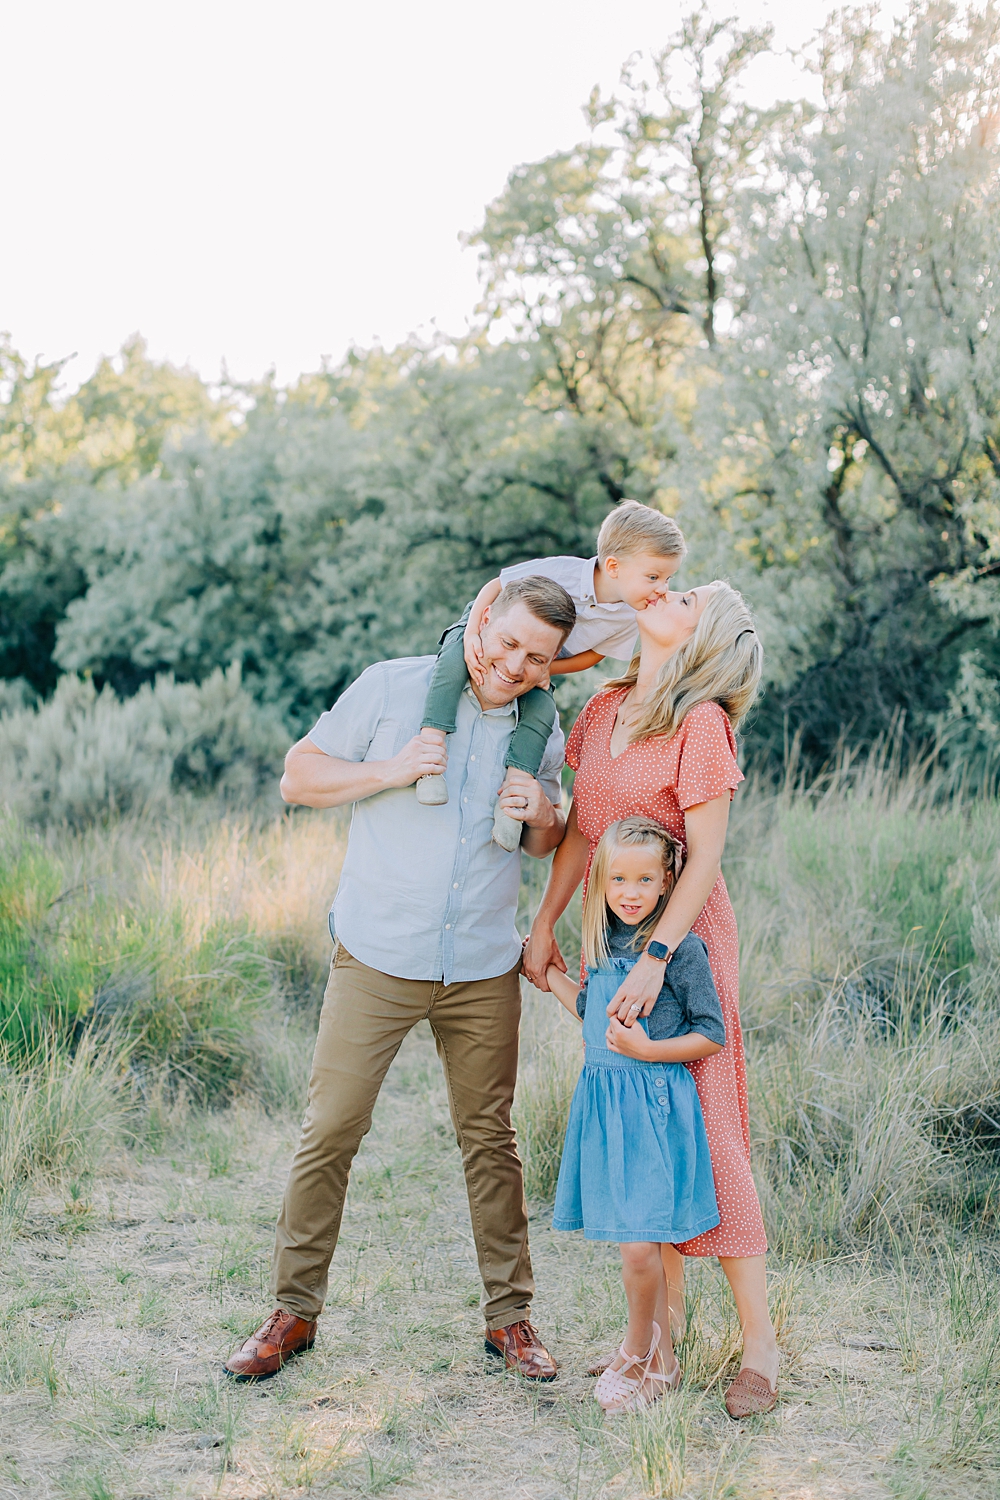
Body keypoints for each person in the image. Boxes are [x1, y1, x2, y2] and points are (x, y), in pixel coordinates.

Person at [224, 575, 575, 1384]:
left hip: (481, 966)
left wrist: (545, 814)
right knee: (330, 1130)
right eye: (509, 643)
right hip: (377, 957)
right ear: (481, 620)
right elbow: (298, 778)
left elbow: (541, 844)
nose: (516, 666)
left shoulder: (544, 730)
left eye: (538, 658)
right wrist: (390, 768)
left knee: (491, 1142)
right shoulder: (391, 687)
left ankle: (511, 1321)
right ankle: (292, 1312)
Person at [523, 580, 781, 1419]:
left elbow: (704, 857)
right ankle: (659, 1344)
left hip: (685, 942)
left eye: (688, 596)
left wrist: (660, 959)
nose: (667, 590)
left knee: (709, 1129)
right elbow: (585, 834)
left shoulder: (701, 724)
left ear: (705, 638)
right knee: (646, 1128)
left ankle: (760, 1348)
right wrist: (546, 922)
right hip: (613, 930)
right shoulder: (603, 710)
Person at [545, 817, 725, 1414]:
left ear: (667, 880)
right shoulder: (601, 942)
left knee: (641, 1250)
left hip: (653, 1108)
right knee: (633, 1244)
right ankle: (658, 1357)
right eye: (618, 879)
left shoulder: (680, 949)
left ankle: (637, 1350)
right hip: (605, 1110)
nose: (630, 892)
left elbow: (712, 1035)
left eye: (645, 880)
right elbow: (595, 1012)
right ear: (600, 881)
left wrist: (648, 1051)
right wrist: (546, 975)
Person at [415, 500, 686, 852]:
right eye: (653, 577)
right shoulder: (565, 572)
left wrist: (546, 668)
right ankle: (431, 755)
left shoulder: (628, 615)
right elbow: (495, 586)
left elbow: (592, 656)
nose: (662, 588)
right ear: (614, 567)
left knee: (541, 712)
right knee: (454, 664)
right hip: (490, 624)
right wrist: (470, 634)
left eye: (667, 579)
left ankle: (512, 802)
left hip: (536, 660)